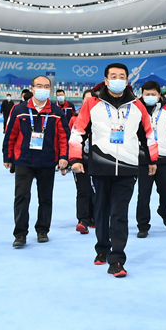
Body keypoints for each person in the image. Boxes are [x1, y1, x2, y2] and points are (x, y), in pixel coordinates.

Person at [69, 63, 158, 277]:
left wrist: (152, 158)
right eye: (113, 76)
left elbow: (148, 134)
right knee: (101, 210)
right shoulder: (92, 104)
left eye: (122, 76)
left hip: (128, 168)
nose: (118, 79)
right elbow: (78, 131)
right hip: (100, 166)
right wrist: (76, 158)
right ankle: (102, 248)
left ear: (127, 80)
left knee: (119, 213)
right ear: (106, 80)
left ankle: (117, 259)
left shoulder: (137, 105)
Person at [3, 76, 69, 248]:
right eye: (39, 86)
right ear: (32, 88)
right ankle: (20, 233)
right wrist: (7, 157)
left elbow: (63, 137)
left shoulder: (56, 112)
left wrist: (64, 157)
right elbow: (10, 134)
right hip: (23, 161)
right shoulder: (19, 110)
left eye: (46, 86)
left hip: (47, 161)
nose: (43, 89)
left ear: (50, 89)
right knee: (21, 197)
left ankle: (42, 230)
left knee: (45, 198)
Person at [136, 81, 166, 238]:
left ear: (159, 94)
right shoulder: (136, 110)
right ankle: (143, 225)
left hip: (164, 157)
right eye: (147, 94)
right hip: (144, 159)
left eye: (153, 94)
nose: (150, 96)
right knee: (143, 195)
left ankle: (164, 210)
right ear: (142, 95)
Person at [71, 90, 97, 234]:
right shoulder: (74, 118)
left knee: (97, 190)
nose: (89, 102)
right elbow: (70, 139)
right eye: (86, 99)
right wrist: (70, 159)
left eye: (92, 99)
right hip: (80, 160)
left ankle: (96, 217)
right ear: (82, 101)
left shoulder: (101, 119)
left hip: (98, 160)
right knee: (83, 190)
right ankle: (83, 220)